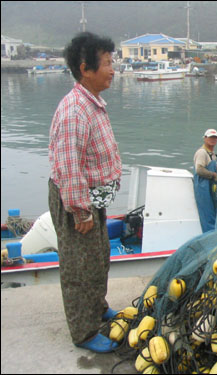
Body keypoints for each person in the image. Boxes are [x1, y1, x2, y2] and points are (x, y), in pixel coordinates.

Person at [48, 32, 122, 353]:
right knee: (79, 267)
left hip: (94, 197)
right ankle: (84, 331)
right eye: (106, 63)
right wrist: (80, 210)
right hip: (76, 199)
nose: (113, 68)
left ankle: (97, 307)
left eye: (111, 61)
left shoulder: (92, 103)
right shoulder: (74, 110)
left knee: (98, 256)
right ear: (85, 68)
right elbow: (68, 166)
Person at [193, 129, 217, 232]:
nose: (212, 140)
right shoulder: (202, 152)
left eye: (214, 138)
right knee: (207, 215)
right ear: (205, 138)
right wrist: (214, 175)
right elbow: (199, 170)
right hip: (202, 188)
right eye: (210, 137)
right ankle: (210, 238)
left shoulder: (212, 154)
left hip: (210, 188)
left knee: (213, 213)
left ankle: (213, 234)